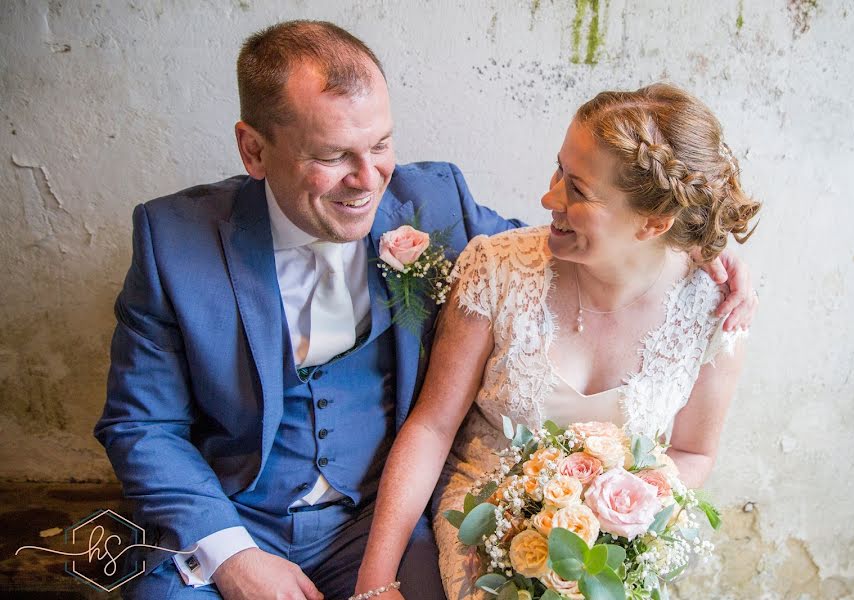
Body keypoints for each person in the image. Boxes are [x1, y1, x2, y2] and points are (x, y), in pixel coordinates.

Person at [94, 19, 754, 600]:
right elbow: (140, 426)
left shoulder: (435, 202)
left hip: (378, 522)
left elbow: (570, 246)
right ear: (254, 150)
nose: (368, 179)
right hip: (233, 520)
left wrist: (697, 250)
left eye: (380, 144)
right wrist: (232, 555)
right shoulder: (172, 243)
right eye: (332, 156)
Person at [355, 83, 760, 599]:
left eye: (578, 190)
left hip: (607, 556)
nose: (549, 198)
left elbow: (692, 452)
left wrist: (619, 524)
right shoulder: (496, 269)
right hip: (483, 527)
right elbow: (432, 427)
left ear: (654, 223)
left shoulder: (716, 312)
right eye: (559, 171)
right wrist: (374, 583)